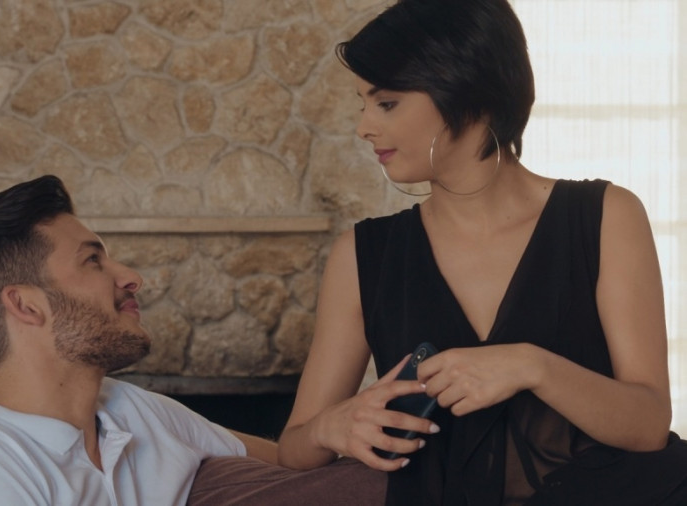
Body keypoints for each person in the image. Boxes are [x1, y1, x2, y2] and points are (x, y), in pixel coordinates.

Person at [276, 0, 687, 504]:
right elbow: (293, 447)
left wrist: (532, 366)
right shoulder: (363, 255)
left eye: (386, 104)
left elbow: (648, 424)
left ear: (467, 93)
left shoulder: (606, 216)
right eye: (362, 104)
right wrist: (331, 428)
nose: (363, 127)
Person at [0, 175, 280, 505]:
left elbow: (289, 462)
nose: (132, 278)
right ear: (26, 305)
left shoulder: (136, 412)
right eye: (92, 260)